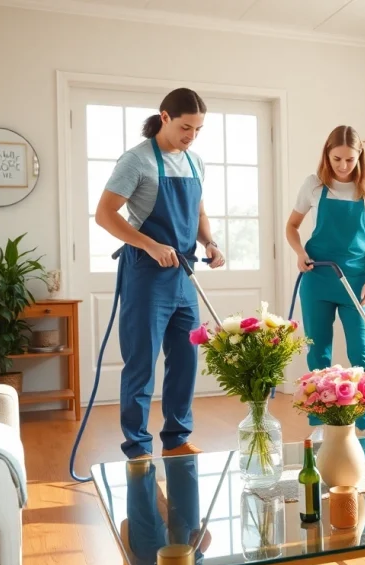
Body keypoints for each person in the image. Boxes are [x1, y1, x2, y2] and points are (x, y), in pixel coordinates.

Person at [95, 88, 225, 460]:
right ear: (165, 117)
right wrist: (149, 245)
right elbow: (105, 215)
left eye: (198, 130)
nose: (191, 136)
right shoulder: (136, 161)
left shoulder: (196, 161)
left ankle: (176, 438)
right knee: (142, 362)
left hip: (184, 272)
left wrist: (210, 243)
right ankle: (137, 446)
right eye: (186, 127)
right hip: (146, 274)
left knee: (185, 360)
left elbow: (199, 214)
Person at [285, 125, 365, 440]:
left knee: (362, 351)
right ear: (327, 155)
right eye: (337, 159)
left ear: (360, 158)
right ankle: (320, 426)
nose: (343, 166)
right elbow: (292, 226)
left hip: (357, 281)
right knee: (319, 354)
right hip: (317, 277)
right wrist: (299, 252)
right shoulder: (313, 186)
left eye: (349, 160)